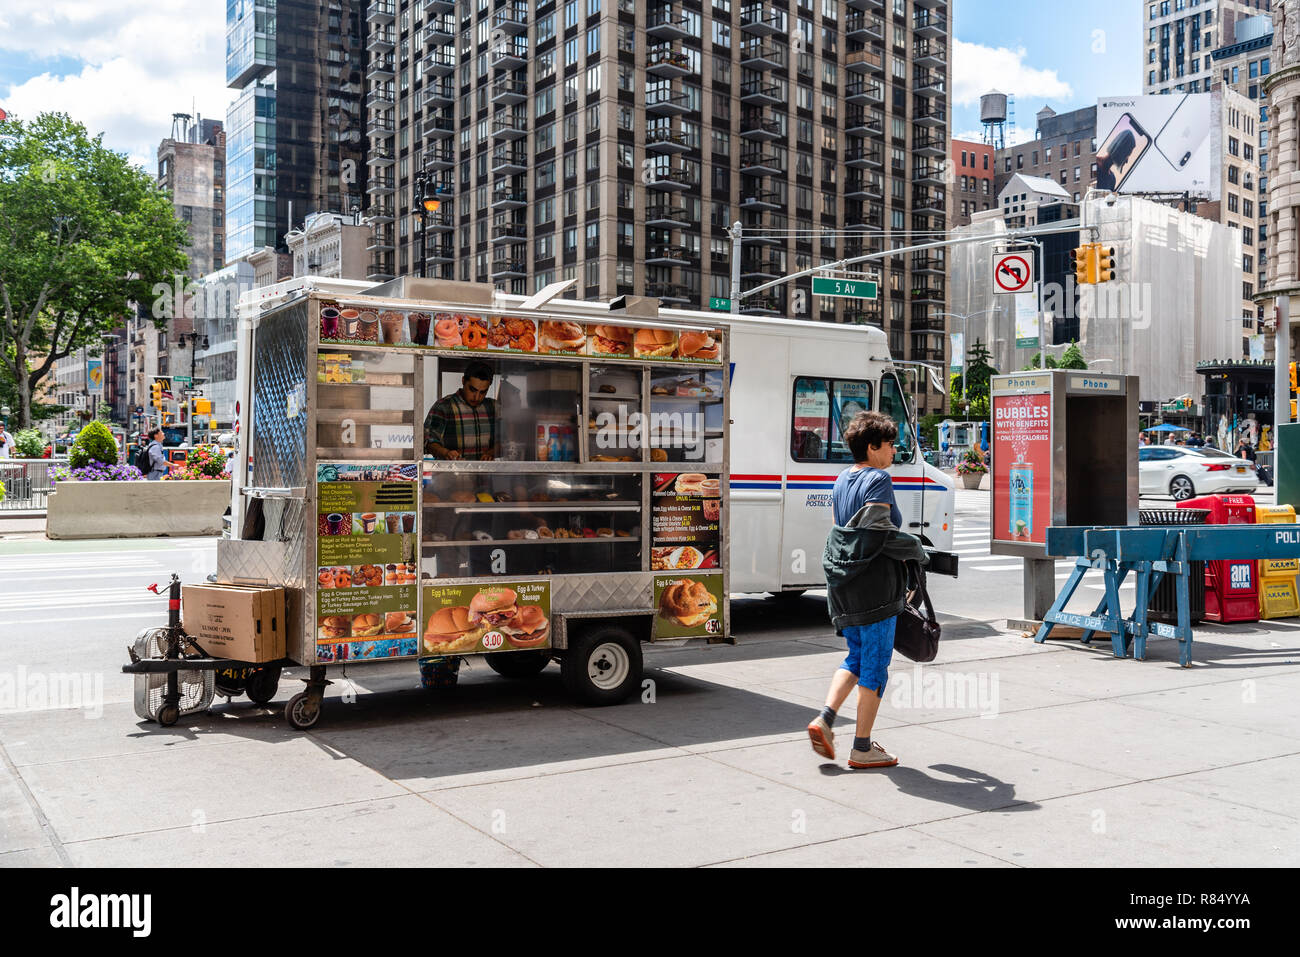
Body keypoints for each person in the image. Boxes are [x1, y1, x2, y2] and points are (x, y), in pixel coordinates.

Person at [806, 411, 926, 770]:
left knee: (856, 658)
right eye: (889, 444)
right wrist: (915, 548)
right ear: (872, 447)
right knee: (875, 667)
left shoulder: (843, 479)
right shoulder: (878, 479)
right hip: (875, 590)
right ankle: (861, 747)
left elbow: (842, 532)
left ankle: (825, 718)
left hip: (846, 588)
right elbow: (877, 534)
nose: (893, 451)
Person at [424, 362, 497, 461]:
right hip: (451, 474)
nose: (477, 397)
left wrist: (491, 453)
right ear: (463, 381)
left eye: (483, 392)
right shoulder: (444, 406)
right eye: (472, 390)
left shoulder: (493, 407)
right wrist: (446, 453)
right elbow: (428, 442)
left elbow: (506, 442)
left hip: (486, 474)